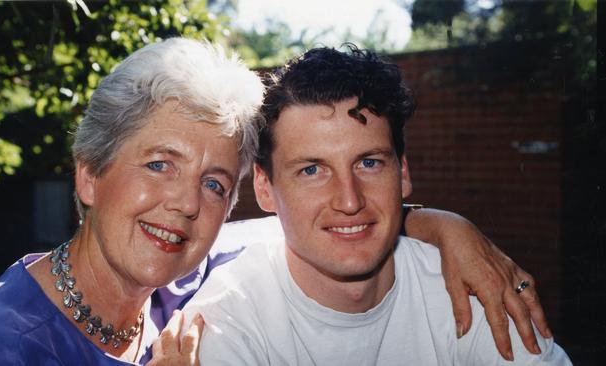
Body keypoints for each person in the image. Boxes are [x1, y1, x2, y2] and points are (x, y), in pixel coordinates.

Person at [0, 38, 546, 365]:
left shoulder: (197, 268)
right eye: (160, 164)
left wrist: (448, 229)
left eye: (214, 183)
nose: (184, 204)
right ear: (89, 175)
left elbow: (332, 224)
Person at [182, 45, 572, 365]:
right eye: (312, 170)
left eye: (369, 163)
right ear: (265, 188)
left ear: (402, 173)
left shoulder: (469, 286)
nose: (350, 200)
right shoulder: (225, 320)